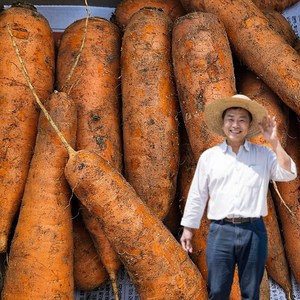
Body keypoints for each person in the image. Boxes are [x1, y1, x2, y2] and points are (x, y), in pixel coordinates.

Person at [180, 94, 297, 300]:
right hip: (220, 231)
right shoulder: (209, 157)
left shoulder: (263, 154)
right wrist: (188, 228)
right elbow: (198, 194)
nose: (236, 124)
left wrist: (275, 143)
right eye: (231, 119)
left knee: (251, 293)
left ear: (250, 124)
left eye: (242, 119)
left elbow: (289, 174)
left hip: (253, 231)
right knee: (217, 290)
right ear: (223, 123)